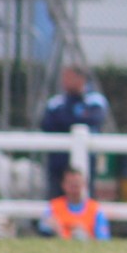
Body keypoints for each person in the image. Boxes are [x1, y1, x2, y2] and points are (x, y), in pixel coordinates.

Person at [40, 64, 107, 200]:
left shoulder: (95, 100)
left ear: (81, 79)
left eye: (69, 77)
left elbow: (93, 120)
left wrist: (65, 120)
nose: (64, 81)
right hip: (58, 160)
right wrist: (74, 119)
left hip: (88, 159)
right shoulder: (56, 102)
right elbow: (46, 124)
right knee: (55, 197)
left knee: (85, 194)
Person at [41, 168, 110, 241]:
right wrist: (57, 230)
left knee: (79, 234)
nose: (74, 187)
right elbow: (43, 231)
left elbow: (103, 239)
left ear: (84, 184)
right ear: (63, 185)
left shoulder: (95, 209)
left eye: (77, 183)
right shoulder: (53, 206)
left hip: (86, 247)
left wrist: (86, 236)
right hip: (57, 247)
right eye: (71, 183)